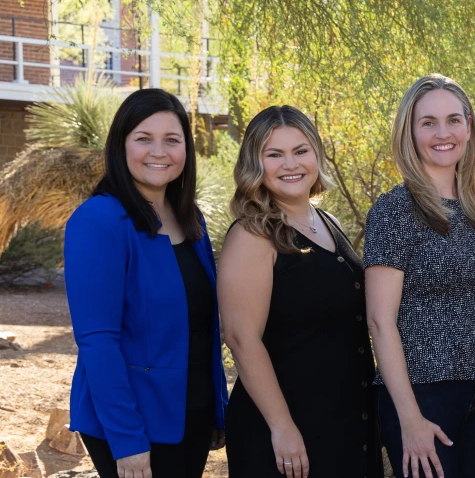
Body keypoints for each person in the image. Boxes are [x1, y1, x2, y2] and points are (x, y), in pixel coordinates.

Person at [64, 88, 228, 478]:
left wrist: (216, 406)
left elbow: (203, 323)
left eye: (172, 140)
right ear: (120, 145)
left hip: (192, 408)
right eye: (143, 138)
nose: (159, 152)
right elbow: (97, 340)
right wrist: (127, 440)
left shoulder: (191, 220)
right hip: (132, 421)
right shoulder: (98, 220)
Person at [219, 105, 382, 478]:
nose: (289, 164)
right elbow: (241, 338)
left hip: (344, 424)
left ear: (316, 155)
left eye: (300, 150)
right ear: (254, 165)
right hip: (286, 435)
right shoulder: (252, 234)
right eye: (274, 154)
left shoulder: (328, 222)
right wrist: (282, 427)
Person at [364, 74, 475, 478]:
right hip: (421, 395)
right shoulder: (395, 211)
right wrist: (409, 419)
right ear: (410, 131)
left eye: (453, 120)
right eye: (428, 122)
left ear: (469, 126)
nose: (443, 133)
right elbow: (379, 320)